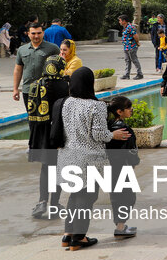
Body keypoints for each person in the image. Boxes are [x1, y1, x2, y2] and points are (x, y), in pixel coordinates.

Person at [56, 67, 132, 250]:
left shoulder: (66, 102)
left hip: (67, 155)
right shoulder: (96, 106)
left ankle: (68, 234)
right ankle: (79, 238)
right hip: (89, 157)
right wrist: (113, 135)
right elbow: (98, 134)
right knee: (87, 196)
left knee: (74, 194)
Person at [26, 54, 69, 219]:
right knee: (58, 170)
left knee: (45, 168)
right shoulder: (64, 86)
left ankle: (42, 201)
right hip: (58, 133)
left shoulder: (35, 84)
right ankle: (55, 204)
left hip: (40, 133)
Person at [105, 96, 139, 238]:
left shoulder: (109, 128)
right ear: (120, 111)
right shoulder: (124, 130)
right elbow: (132, 152)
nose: (131, 109)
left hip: (110, 167)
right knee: (129, 197)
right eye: (128, 107)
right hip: (123, 167)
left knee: (115, 196)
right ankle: (120, 227)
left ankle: (120, 225)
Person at [12, 22, 60, 109]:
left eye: (39, 33)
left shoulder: (53, 48)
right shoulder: (22, 50)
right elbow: (18, 70)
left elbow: (60, 68)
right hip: (28, 90)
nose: (36, 36)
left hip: (47, 90)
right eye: (33, 33)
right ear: (28, 34)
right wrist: (15, 89)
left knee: (47, 119)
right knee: (31, 118)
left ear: (43, 33)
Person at [118, 15, 143, 80]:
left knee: (134, 60)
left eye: (120, 20)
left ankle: (139, 74)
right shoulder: (125, 27)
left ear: (124, 21)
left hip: (131, 47)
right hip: (126, 47)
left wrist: (137, 42)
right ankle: (127, 74)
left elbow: (135, 35)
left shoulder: (130, 27)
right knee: (127, 61)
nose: (119, 22)